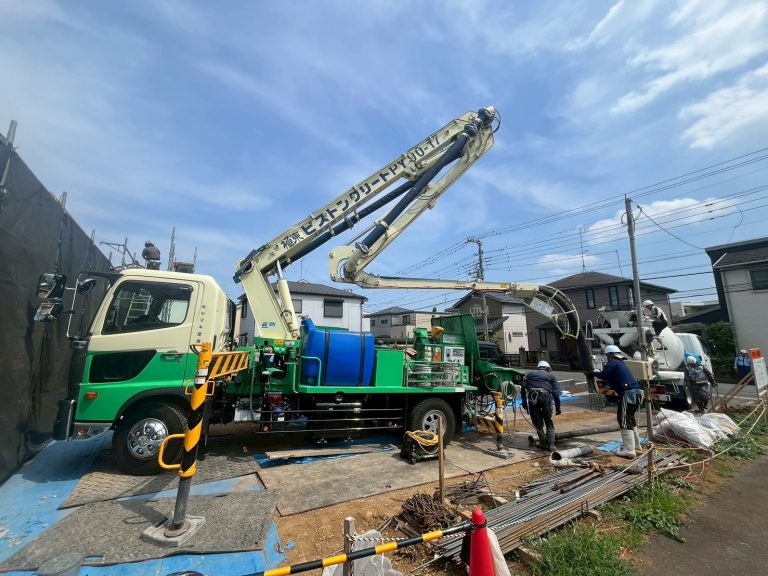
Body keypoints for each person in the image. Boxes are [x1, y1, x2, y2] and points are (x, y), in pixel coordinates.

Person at [592, 345, 643, 458]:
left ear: (610, 355)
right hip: (637, 392)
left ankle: (629, 450)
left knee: (623, 420)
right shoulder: (621, 363)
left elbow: (603, 374)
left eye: (607, 355)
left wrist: (594, 373)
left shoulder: (613, 362)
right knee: (630, 419)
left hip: (628, 393)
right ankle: (636, 446)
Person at [521, 360, 561, 452]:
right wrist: (558, 408)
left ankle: (543, 443)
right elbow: (556, 393)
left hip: (532, 397)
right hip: (546, 396)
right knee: (548, 421)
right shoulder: (551, 376)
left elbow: (523, 390)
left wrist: (524, 403)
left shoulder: (529, 375)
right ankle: (551, 446)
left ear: (538, 368)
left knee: (537, 422)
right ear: (547, 368)